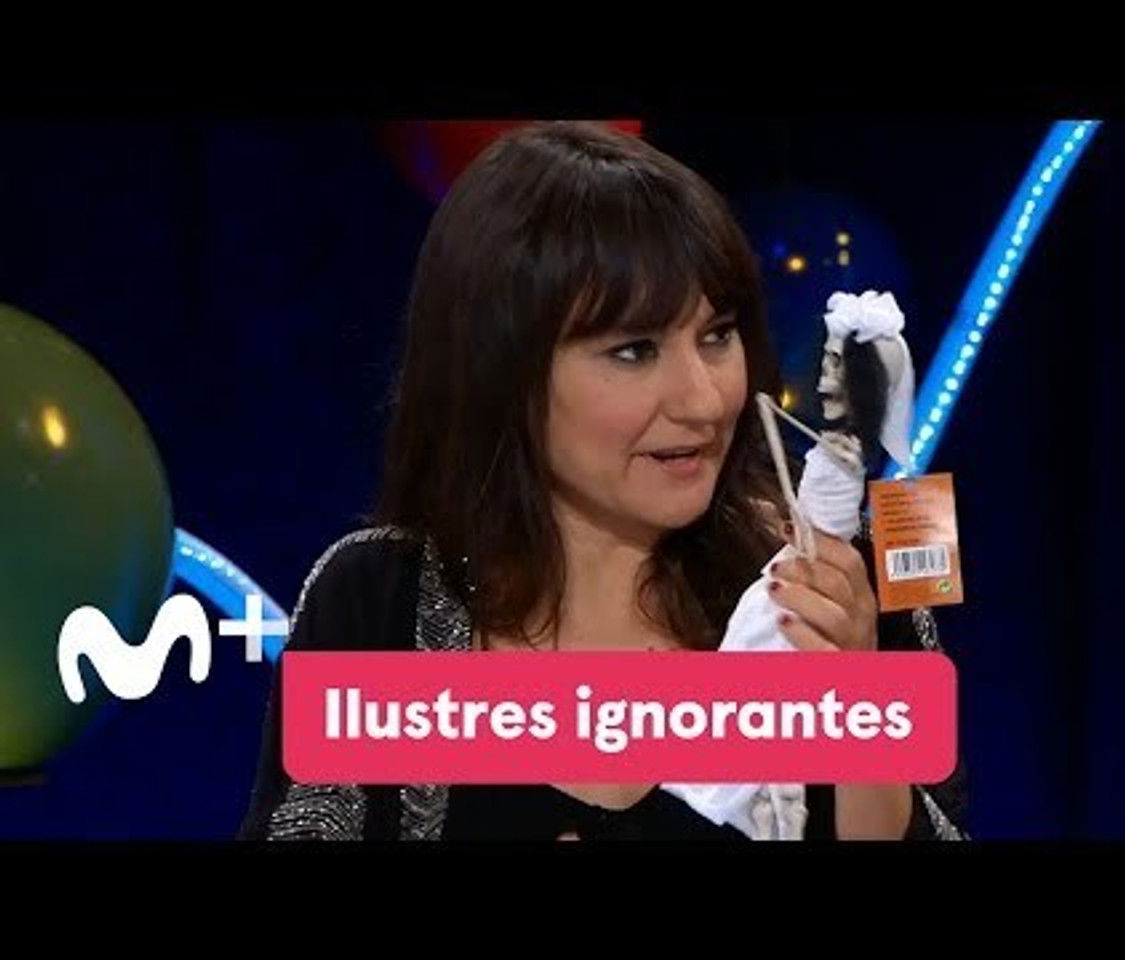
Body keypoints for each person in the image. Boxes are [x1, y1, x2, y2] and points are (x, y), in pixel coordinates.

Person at [238, 120, 967, 841]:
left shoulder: (859, 572)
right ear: (505, 373)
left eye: (717, 336)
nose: (703, 400)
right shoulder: (376, 598)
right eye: (634, 351)